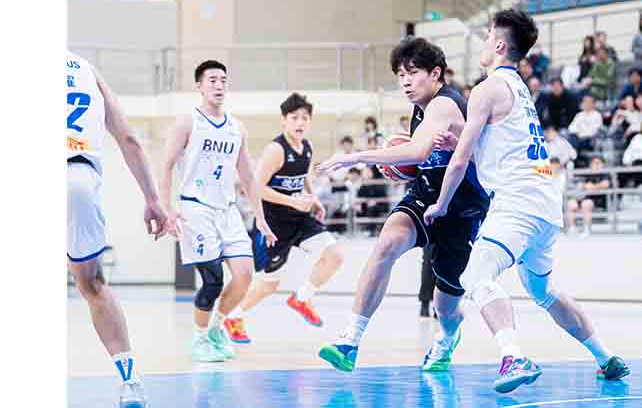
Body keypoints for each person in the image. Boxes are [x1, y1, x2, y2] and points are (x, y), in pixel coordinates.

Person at [423, 9, 629, 394]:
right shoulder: (518, 88)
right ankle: (606, 357)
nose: (484, 42)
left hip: (518, 201)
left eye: (488, 36)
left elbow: (461, 160)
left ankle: (513, 356)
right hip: (545, 203)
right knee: (543, 291)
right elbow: (495, 147)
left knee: (476, 275)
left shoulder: (486, 89)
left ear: (500, 44)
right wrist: (460, 142)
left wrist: (441, 203)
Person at [316, 37, 490, 373]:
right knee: (387, 242)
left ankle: (446, 338)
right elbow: (419, 160)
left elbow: (417, 151)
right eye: (400, 75)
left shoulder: (444, 104)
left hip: (461, 209)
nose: (405, 82)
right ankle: (350, 340)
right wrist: (400, 169)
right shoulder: (420, 109)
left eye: (412, 73)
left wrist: (354, 157)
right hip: (425, 195)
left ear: (435, 73)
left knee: (445, 305)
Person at [66, 51, 169, 408]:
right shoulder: (85, 69)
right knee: (93, 286)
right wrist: (153, 199)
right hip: (79, 180)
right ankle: (130, 383)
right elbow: (129, 140)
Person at [159, 60, 278, 363]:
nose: (219, 85)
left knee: (245, 275)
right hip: (195, 208)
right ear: (199, 86)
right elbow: (167, 165)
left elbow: (248, 177)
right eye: (212, 80)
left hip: (227, 209)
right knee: (212, 280)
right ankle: (199, 338)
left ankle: (215, 328)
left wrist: (261, 218)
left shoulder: (237, 128)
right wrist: (166, 208)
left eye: (223, 80)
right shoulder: (188, 122)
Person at [230, 93, 346, 340]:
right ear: (283, 120)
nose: (300, 122)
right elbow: (256, 187)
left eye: (304, 118)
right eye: (294, 117)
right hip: (273, 224)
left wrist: (313, 198)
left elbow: (303, 176)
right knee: (269, 284)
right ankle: (234, 316)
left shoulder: (307, 147)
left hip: (299, 218)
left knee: (335, 255)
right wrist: (293, 201)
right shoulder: (276, 149)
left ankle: (302, 298)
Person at [566, 156, 611, 237]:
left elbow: (605, 184)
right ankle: (572, 228)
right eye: (594, 163)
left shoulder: (605, 174)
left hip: (598, 200)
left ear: (603, 164)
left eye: (598, 163)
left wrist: (593, 186)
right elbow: (579, 184)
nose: (596, 165)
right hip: (582, 197)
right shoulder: (586, 173)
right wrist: (585, 186)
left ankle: (586, 229)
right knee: (571, 203)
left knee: (586, 204)